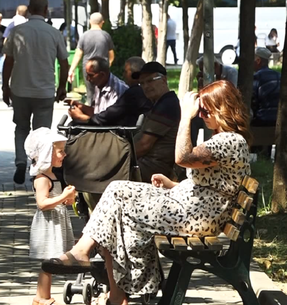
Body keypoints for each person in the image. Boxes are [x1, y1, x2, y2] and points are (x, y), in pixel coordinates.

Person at [42, 80, 251, 305]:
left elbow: (182, 158)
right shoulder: (227, 141)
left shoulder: (229, 141)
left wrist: (185, 118)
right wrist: (172, 185)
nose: (201, 115)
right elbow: (212, 187)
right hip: (193, 211)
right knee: (116, 199)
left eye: (205, 110)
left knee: (118, 200)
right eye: (200, 110)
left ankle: (93, 264)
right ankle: (114, 290)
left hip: (196, 218)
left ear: (223, 108)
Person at [3, 0, 69, 185]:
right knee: (42, 132)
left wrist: (6, 87)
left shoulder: (17, 31)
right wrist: (62, 87)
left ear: (29, 9)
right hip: (45, 91)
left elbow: (8, 62)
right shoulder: (54, 32)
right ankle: (39, 171)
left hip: (20, 90)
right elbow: (64, 63)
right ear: (46, 9)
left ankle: (21, 161)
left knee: (21, 127)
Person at [25, 128, 75, 305]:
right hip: (47, 224)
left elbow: (53, 200)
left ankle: (41, 296)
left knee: (51, 260)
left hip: (56, 221)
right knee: (50, 261)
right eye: (60, 151)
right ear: (47, 153)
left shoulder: (52, 175)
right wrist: (62, 197)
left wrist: (65, 200)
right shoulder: (42, 178)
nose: (64, 154)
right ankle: (43, 296)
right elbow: (42, 203)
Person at [68, 57, 151, 127]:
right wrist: (81, 107)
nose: (123, 75)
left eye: (125, 72)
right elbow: (99, 113)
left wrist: (81, 117)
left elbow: (107, 117)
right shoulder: (99, 84)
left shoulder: (131, 92)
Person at [133, 62, 181, 181]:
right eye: (142, 83)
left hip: (153, 169)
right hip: (146, 164)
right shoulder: (159, 103)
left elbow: (144, 145)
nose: (146, 86)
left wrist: (119, 157)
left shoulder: (167, 105)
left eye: (150, 81)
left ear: (164, 80)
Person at [68, 12, 115, 104]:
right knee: (103, 93)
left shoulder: (84, 36)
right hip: (102, 69)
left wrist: (71, 70)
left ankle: (90, 111)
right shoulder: (106, 35)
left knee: (90, 94)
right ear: (102, 22)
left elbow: (78, 54)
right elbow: (111, 54)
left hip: (88, 69)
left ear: (90, 22)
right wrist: (108, 64)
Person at [66, 57, 128, 121]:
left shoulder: (117, 90)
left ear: (102, 75)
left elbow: (108, 120)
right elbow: (97, 112)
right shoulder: (99, 83)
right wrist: (80, 106)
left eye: (91, 75)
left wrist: (80, 117)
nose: (88, 79)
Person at [252, 47, 280, 127]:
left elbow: (253, 101)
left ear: (258, 61)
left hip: (263, 118)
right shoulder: (279, 75)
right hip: (278, 118)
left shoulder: (257, 77)